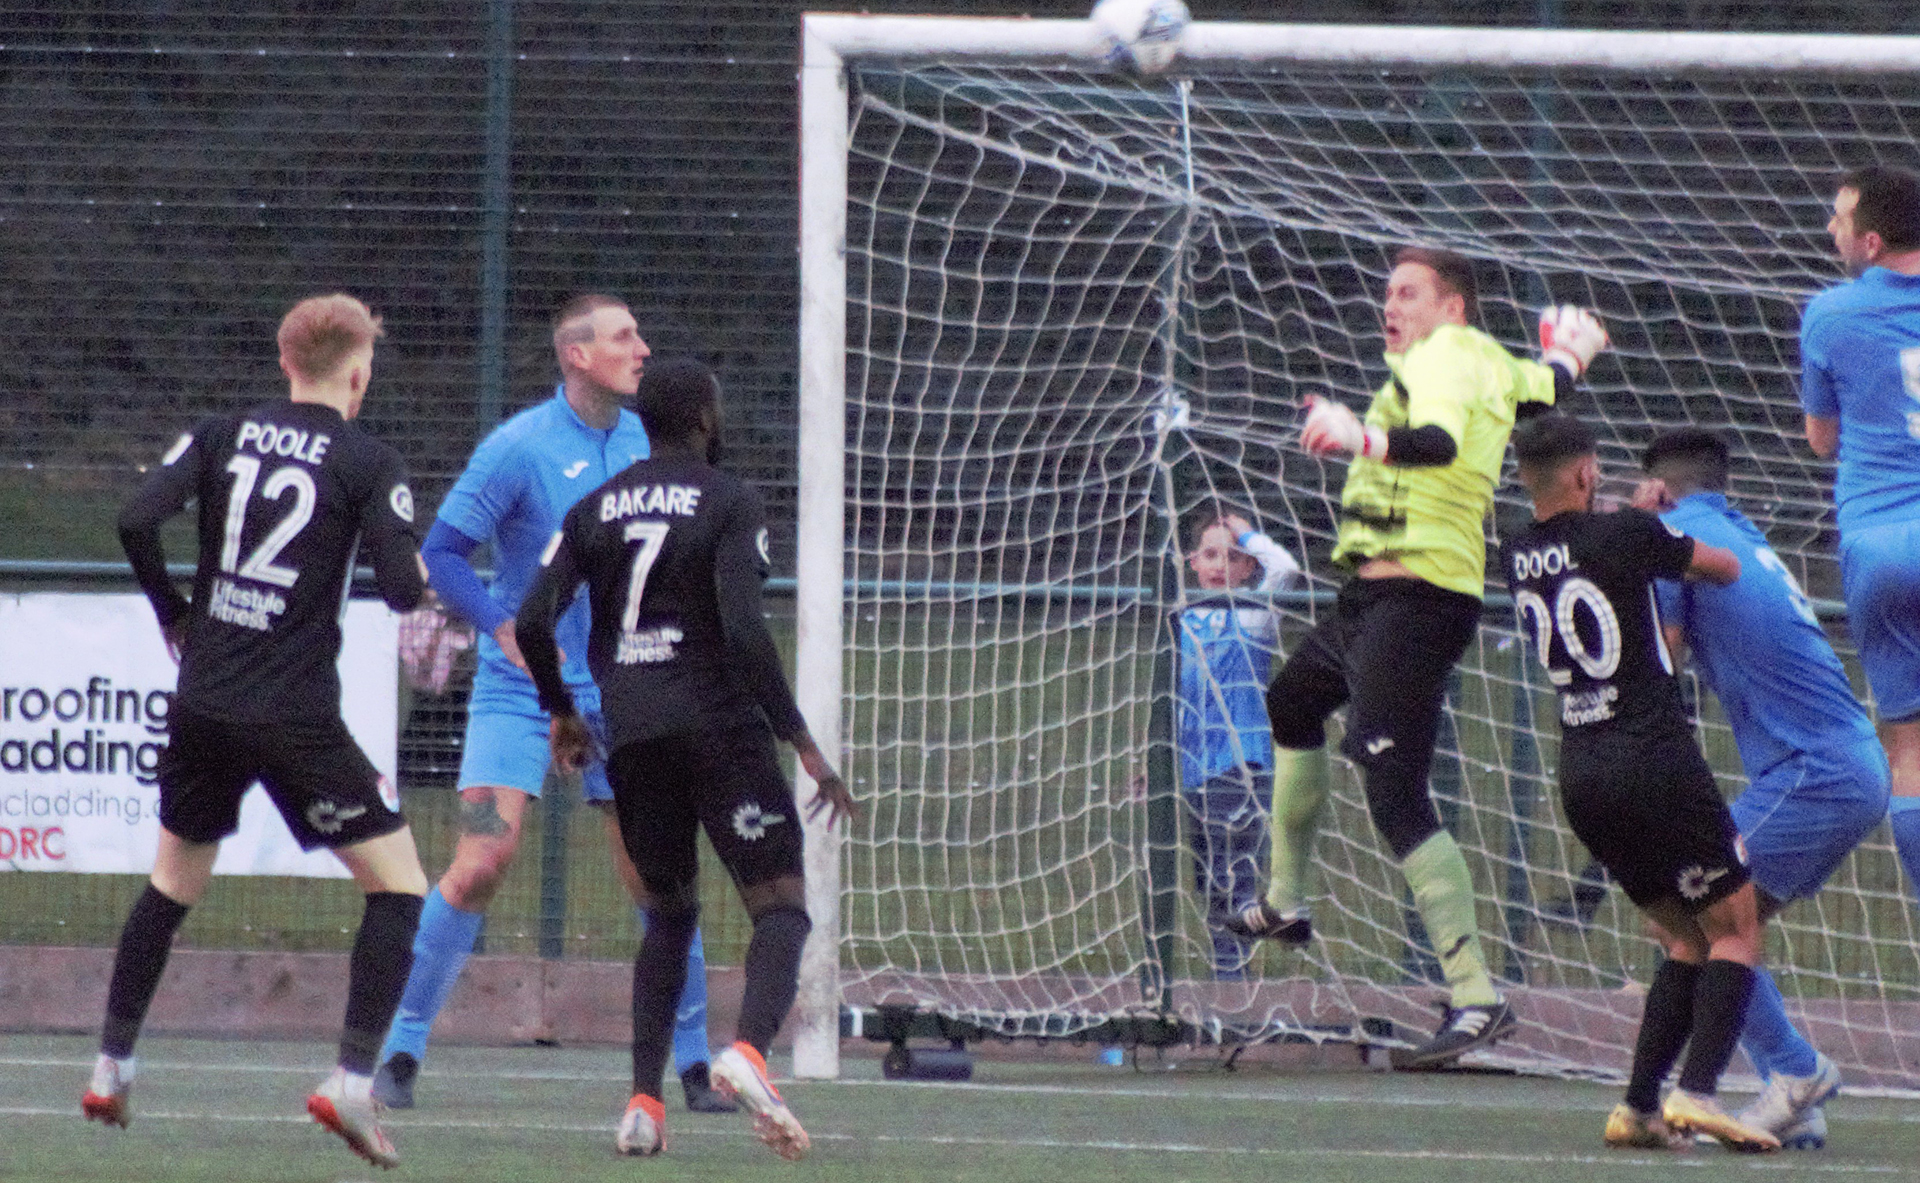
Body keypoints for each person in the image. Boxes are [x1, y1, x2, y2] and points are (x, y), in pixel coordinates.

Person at [1227, 244, 1609, 1067]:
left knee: (1395, 789)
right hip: (1374, 599)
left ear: (1453, 308)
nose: (1389, 306)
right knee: (1292, 700)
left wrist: (1356, 433)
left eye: (1407, 292)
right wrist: (1568, 354)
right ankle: (1286, 901)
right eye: (1387, 293)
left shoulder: (1445, 356)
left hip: (1419, 598)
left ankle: (1476, 997)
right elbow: (1541, 387)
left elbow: (1433, 442)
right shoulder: (1485, 361)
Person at [89, 294, 430, 1168]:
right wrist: (415, 563)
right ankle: (353, 1082)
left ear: (286, 361)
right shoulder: (368, 458)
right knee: (399, 888)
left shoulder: (219, 432)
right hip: (293, 714)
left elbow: (135, 519)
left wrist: (176, 612)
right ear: (356, 372)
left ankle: (112, 1068)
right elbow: (398, 589)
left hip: (204, 700)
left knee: (170, 882)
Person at [373, 294, 734, 1114]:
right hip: (522, 690)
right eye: (623, 336)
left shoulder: (657, 443)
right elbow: (443, 554)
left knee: (658, 879)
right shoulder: (517, 447)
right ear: (577, 355)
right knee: (480, 859)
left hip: (630, 688)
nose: (642, 348)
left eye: (641, 332)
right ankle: (397, 1049)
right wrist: (500, 625)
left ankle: (692, 1064)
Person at [514, 357, 855, 1160]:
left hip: (631, 734)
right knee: (781, 906)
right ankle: (747, 1054)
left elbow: (532, 618)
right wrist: (802, 739)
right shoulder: (730, 499)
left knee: (668, 914)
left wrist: (562, 711)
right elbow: (741, 628)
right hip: (720, 728)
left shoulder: (594, 505)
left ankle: (641, 1104)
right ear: (705, 417)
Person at [1503, 414, 1777, 1152]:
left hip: (1583, 771)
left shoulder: (1516, 552)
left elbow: (1584, 554)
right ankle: (1698, 1091)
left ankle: (1638, 1106)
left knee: (1686, 937)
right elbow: (1723, 566)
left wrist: (1634, 519)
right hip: (1654, 755)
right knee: (1738, 927)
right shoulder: (1626, 535)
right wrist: (1656, 519)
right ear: (1588, 472)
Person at [1636, 428, 1888, 1149]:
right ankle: (1795, 1093)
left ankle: (1794, 1070)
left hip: (1816, 771)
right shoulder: (1736, 531)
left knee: (1692, 916)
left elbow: (1664, 664)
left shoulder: (1675, 537)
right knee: (1713, 922)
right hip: (1839, 762)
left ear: (1662, 489)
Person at [1800, 165, 1920, 908]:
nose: (1830, 229)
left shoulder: (1830, 314)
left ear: (1872, 243)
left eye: (1840, 219)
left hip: (1879, 545)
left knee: (1908, 748)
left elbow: (1820, 439)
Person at [1176, 509, 1301, 978]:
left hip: (1243, 763)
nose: (1220, 565)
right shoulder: (1181, 618)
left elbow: (1286, 567)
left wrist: (1244, 527)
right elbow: (1175, 697)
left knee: (1237, 874)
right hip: (1194, 768)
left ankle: (1232, 982)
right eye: (1210, 554)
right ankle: (1227, 972)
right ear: (1192, 561)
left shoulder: (1255, 615)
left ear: (1250, 568)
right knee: (1210, 879)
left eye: (1234, 557)